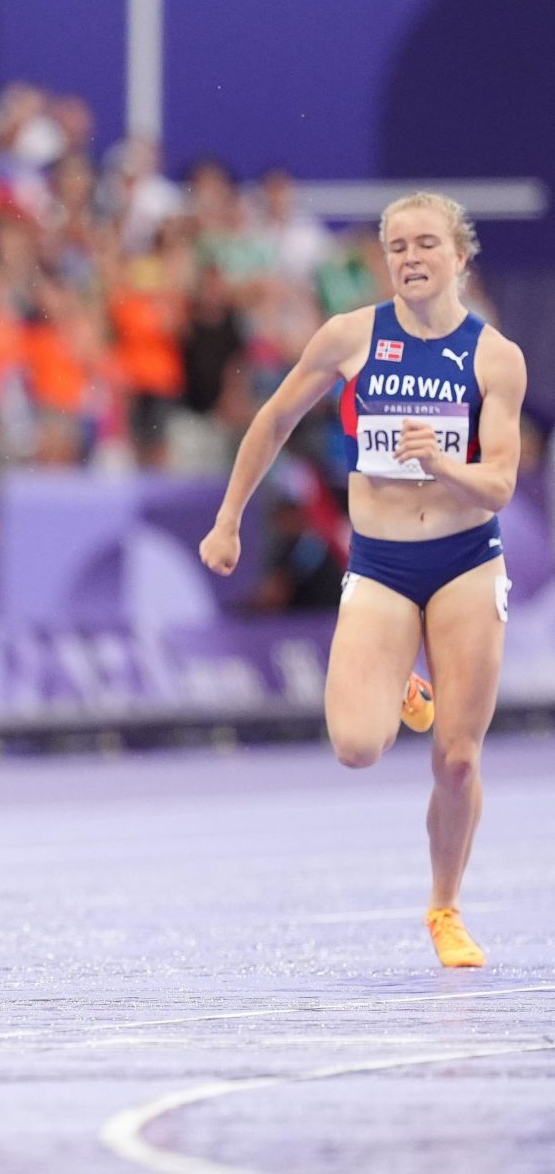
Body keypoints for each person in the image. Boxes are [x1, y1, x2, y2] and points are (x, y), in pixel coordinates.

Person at [200, 192, 525, 968]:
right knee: (354, 746)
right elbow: (273, 419)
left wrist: (444, 460)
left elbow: (503, 484)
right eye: (396, 246)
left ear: (460, 257)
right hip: (379, 562)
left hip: (464, 561)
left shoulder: (493, 357)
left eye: (425, 245)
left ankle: (445, 907)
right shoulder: (350, 336)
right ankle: (403, 687)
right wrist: (228, 518)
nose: (410, 258)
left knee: (456, 757)